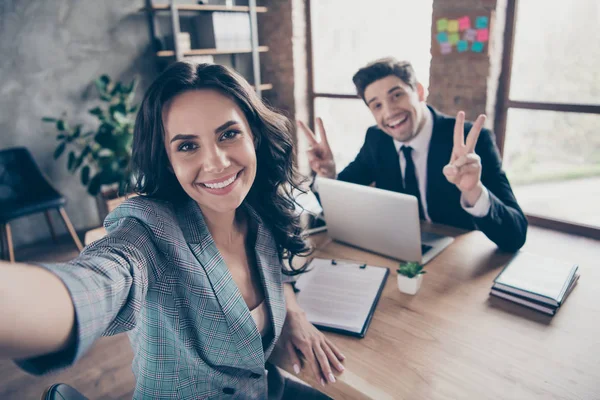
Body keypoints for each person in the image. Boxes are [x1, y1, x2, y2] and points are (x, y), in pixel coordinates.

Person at [0, 62, 344, 399]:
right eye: (187, 146)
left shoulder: (258, 211)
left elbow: (277, 271)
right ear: (168, 159)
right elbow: (97, 282)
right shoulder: (149, 231)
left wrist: (294, 314)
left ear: (252, 133)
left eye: (228, 134)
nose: (216, 162)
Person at [298, 57, 527, 251]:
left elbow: (516, 236)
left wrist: (473, 191)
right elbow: (337, 200)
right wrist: (327, 175)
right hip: (401, 254)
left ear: (418, 91)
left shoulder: (471, 142)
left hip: (458, 259)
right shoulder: (377, 138)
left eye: (396, 95)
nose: (389, 112)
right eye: (377, 105)